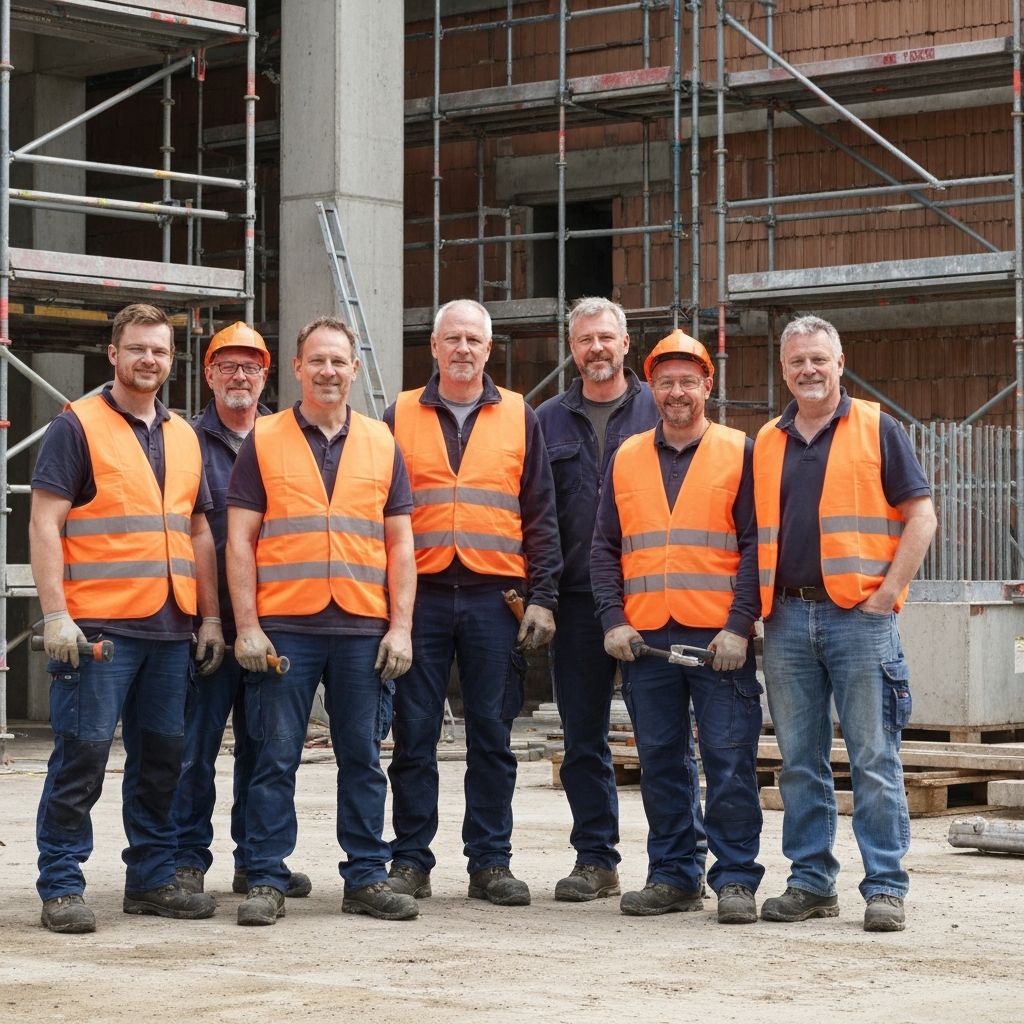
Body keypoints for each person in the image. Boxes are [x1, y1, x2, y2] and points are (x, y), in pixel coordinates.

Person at [30, 303, 224, 934]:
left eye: (160, 351)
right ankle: (61, 884)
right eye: (137, 348)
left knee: (163, 760)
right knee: (82, 759)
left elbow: (199, 531)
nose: (149, 360)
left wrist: (212, 619)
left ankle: (150, 879)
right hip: (100, 633)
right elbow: (45, 521)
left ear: (172, 360)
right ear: (113, 354)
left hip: (171, 629)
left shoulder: (184, 436)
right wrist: (55, 614)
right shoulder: (76, 426)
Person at [226, 315, 418, 926]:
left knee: (362, 756)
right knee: (274, 754)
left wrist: (402, 628)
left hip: (364, 624)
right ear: (298, 368)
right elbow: (239, 541)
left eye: (340, 361)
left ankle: (366, 875)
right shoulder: (264, 439)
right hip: (287, 626)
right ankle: (265, 876)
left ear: (355, 369)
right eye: (318, 361)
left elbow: (401, 546)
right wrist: (248, 625)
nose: (329, 371)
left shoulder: (382, 443)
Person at [753, 314, 936, 933]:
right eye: (797, 361)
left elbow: (921, 517)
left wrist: (888, 594)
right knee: (800, 762)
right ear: (784, 369)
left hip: (859, 618)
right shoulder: (768, 441)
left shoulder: (878, 428)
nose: (809, 370)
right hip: (785, 618)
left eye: (819, 360)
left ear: (840, 362)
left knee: (873, 759)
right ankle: (811, 882)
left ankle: (885, 886)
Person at [385, 298, 561, 906]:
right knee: (414, 733)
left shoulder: (520, 415)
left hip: (495, 596)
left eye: (474, 341)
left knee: (492, 733)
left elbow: (540, 513)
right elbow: (377, 514)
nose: (463, 349)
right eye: (452, 338)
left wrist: (543, 597)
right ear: (432, 347)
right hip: (422, 597)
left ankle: (490, 861)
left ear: (489, 350)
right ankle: (410, 860)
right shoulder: (399, 415)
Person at [535, 297, 707, 902]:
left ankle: (685, 861)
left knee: (665, 740)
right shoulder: (547, 420)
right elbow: (538, 516)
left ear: (625, 342)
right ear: (573, 347)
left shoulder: (660, 403)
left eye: (606, 337)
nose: (597, 349)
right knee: (583, 736)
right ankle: (596, 859)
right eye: (585, 340)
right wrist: (542, 595)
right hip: (580, 603)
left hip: (655, 599)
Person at [591, 328, 765, 924]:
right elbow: (604, 548)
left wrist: (741, 626)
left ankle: (736, 878)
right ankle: (673, 875)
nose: (677, 392)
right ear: (652, 388)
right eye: (665, 382)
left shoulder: (741, 451)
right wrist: (612, 619)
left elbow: (755, 548)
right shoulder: (627, 455)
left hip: (720, 641)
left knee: (728, 759)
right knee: (662, 760)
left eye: (688, 381)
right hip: (648, 642)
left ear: (707, 385)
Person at [170, 322, 311, 901]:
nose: (240, 376)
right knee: (192, 750)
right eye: (228, 365)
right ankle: (183, 861)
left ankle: (258, 862)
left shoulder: (285, 437)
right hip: (205, 622)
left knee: (265, 750)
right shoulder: (182, 438)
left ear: (266, 374)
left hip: (270, 622)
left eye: (251, 366)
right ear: (208, 374)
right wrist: (205, 615)